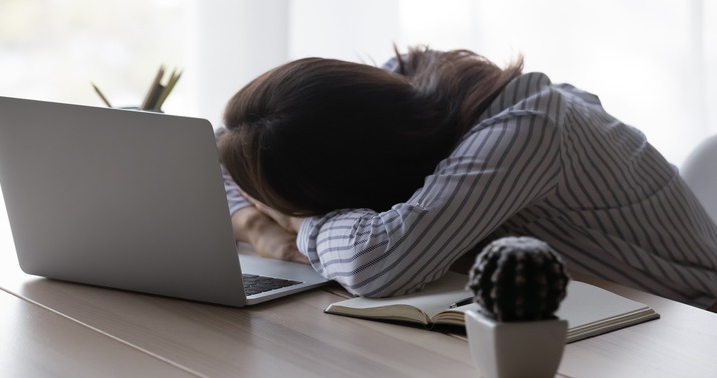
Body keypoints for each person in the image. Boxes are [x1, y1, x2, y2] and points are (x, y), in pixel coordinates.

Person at [218, 46, 717, 310]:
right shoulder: (396, 92)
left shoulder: (528, 128)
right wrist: (262, 228)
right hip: (584, 316)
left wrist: (297, 227)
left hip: (688, 327)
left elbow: (378, 262)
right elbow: (225, 148)